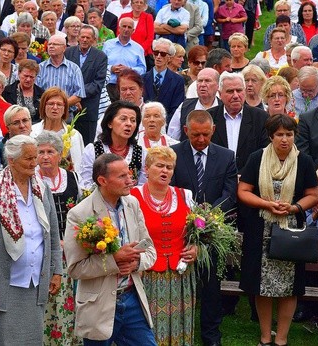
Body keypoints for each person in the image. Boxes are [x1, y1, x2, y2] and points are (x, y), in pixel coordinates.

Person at [0, 135, 61, 345]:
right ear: (11, 161)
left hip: (35, 282)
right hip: (4, 286)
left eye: (34, 157)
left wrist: (56, 270)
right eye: (28, 158)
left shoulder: (42, 189)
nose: (34, 163)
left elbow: (53, 233)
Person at [237, 114, 318, 346]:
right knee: (262, 286)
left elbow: (313, 195)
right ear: (271, 136)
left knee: (289, 287)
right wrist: (266, 203)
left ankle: (281, 338)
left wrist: (294, 207)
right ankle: (265, 336)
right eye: (280, 135)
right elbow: (243, 191)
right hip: (261, 227)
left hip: (290, 231)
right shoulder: (257, 158)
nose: (285, 139)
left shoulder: (304, 161)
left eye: (289, 134)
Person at [64, 152, 157, 345]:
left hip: (132, 299)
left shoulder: (132, 204)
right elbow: (75, 268)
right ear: (102, 180)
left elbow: (150, 250)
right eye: (122, 176)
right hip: (99, 305)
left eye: (129, 174)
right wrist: (115, 260)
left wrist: (136, 262)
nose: (130, 180)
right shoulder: (80, 214)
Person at [170, 109, 237, 346]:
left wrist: (209, 216)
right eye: (195, 135)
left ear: (213, 131)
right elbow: (170, 189)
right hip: (180, 229)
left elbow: (230, 193)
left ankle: (211, 335)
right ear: (186, 131)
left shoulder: (226, 156)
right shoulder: (175, 154)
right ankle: (177, 330)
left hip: (212, 232)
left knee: (210, 288)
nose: (200, 140)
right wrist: (189, 215)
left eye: (205, 135)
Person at [130, 146, 197, 345]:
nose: (165, 171)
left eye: (169, 167)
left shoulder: (185, 195)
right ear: (147, 169)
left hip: (180, 274)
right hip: (145, 273)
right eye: (159, 166)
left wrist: (195, 247)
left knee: (178, 322)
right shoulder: (132, 197)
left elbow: (198, 232)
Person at [36, 131, 82, 345]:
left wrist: (72, 241)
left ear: (60, 154)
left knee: (71, 302)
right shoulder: (32, 180)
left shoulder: (72, 177)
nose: (45, 156)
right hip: (43, 253)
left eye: (50, 151)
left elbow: (83, 214)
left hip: (71, 252)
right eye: (41, 152)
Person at [208, 72, 269, 172]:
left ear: (244, 92)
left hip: (251, 179)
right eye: (230, 91)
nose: (236, 95)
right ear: (220, 94)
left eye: (239, 90)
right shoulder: (209, 117)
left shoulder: (260, 118)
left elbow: (265, 151)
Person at [79, 100, 146, 190]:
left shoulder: (141, 153)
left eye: (133, 120)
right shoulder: (93, 150)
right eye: (123, 119)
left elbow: (143, 187)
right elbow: (85, 183)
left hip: (131, 201)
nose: (129, 124)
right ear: (110, 123)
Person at [64, 25, 108, 144]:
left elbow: (98, 84)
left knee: (86, 144)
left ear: (94, 40)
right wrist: (73, 99)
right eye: (82, 37)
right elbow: (64, 77)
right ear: (78, 37)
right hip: (67, 108)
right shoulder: (68, 52)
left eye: (88, 37)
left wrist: (78, 95)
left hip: (88, 109)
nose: (84, 40)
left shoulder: (101, 57)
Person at [31, 87, 85, 171]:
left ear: (64, 109)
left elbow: (80, 165)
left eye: (59, 104)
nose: (55, 107)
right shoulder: (32, 132)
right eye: (51, 104)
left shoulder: (75, 136)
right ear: (43, 106)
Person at [168, 68, 222, 142]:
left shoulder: (224, 108)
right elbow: (172, 137)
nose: (202, 85)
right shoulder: (184, 106)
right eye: (200, 81)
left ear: (217, 85)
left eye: (207, 81)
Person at [36, 35, 86, 112]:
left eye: (55, 44)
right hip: (44, 113)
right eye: (49, 44)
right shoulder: (40, 68)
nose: (51, 46)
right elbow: (35, 92)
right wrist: (50, 106)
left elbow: (79, 94)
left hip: (66, 113)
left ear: (64, 48)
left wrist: (60, 106)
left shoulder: (74, 68)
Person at [143, 38, 185, 126]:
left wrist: (162, 125)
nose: (158, 56)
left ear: (170, 57)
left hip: (166, 126)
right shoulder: (142, 78)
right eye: (156, 53)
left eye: (162, 54)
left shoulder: (178, 81)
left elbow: (176, 109)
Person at [102, 17, 146, 101]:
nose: (126, 29)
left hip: (128, 87)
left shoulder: (138, 48)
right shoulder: (108, 45)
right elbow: (101, 65)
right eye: (124, 26)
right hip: (110, 85)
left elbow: (143, 69)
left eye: (129, 27)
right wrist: (111, 68)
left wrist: (129, 70)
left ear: (133, 30)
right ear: (119, 28)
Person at [3, 59, 44, 124]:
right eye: (25, 76)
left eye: (31, 77)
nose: (28, 79)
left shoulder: (42, 94)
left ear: (36, 77)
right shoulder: (7, 91)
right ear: (19, 73)